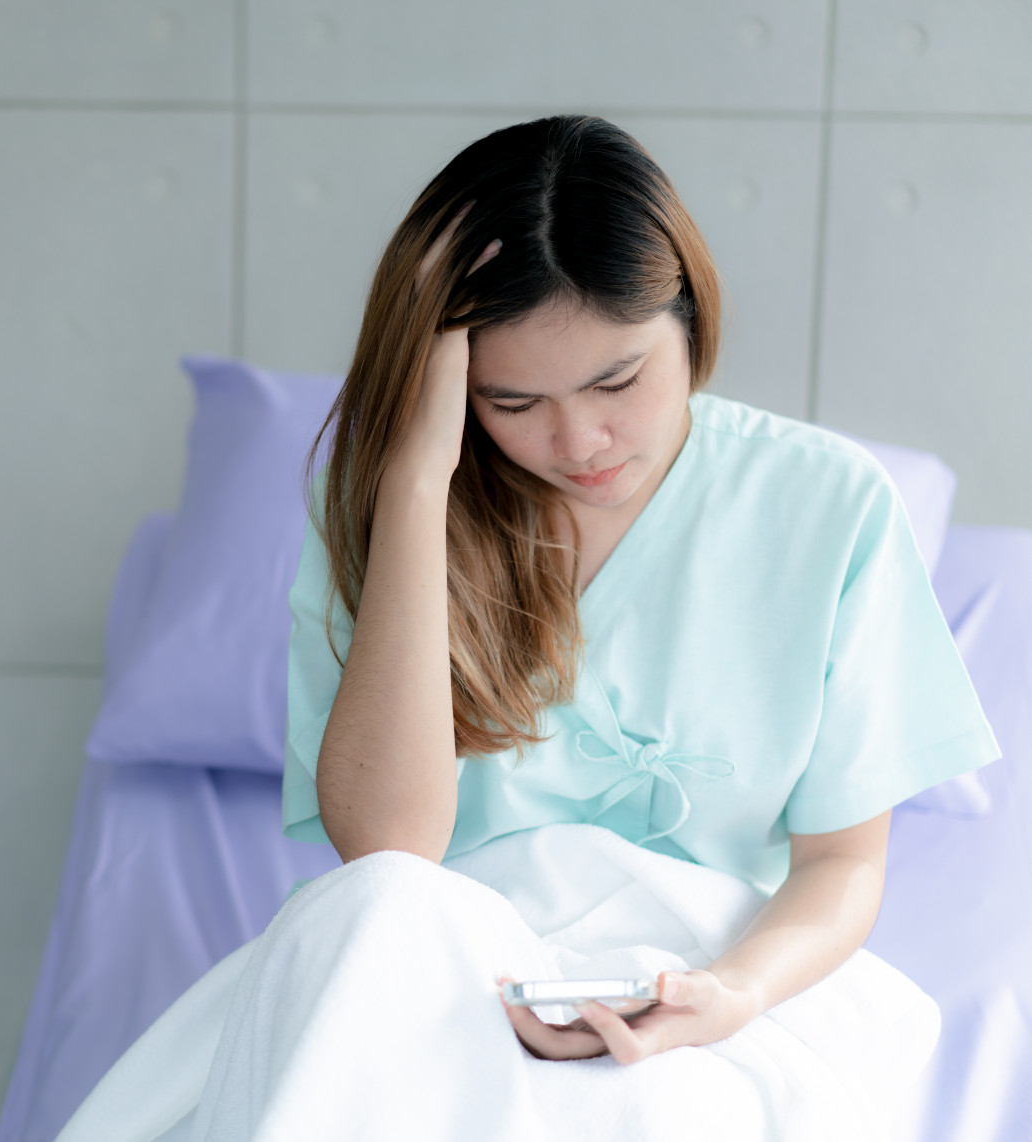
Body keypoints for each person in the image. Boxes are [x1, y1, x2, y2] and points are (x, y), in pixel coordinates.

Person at [59, 114, 1000, 1141]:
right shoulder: (400, 500)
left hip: (705, 984)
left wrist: (723, 994)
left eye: (618, 380)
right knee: (371, 914)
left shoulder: (830, 504)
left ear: (688, 315)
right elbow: (386, 851)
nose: (578, 439)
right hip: (438, 969)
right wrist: (416, 484)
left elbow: (842, 864)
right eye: (512, 398)